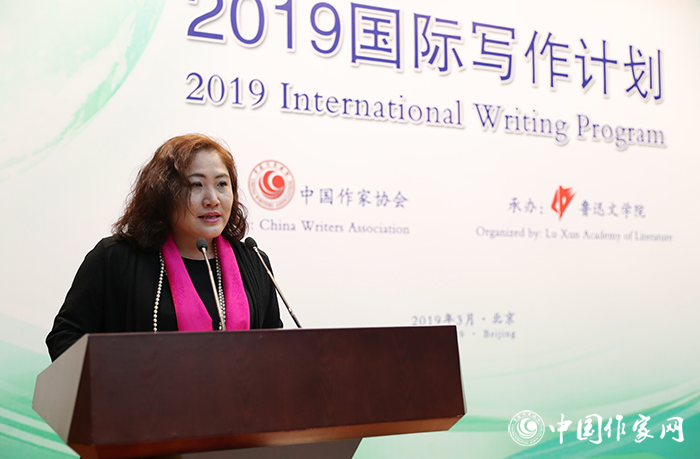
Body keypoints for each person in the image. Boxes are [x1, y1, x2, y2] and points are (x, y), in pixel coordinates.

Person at [46, 134, 282, 361]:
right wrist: (120, 377)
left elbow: (273, 351)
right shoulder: (116, 258)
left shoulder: (254, 262)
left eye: (222, 184)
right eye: (196, 185)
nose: (212, 199)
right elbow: (65, 337)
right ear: (163, 193)